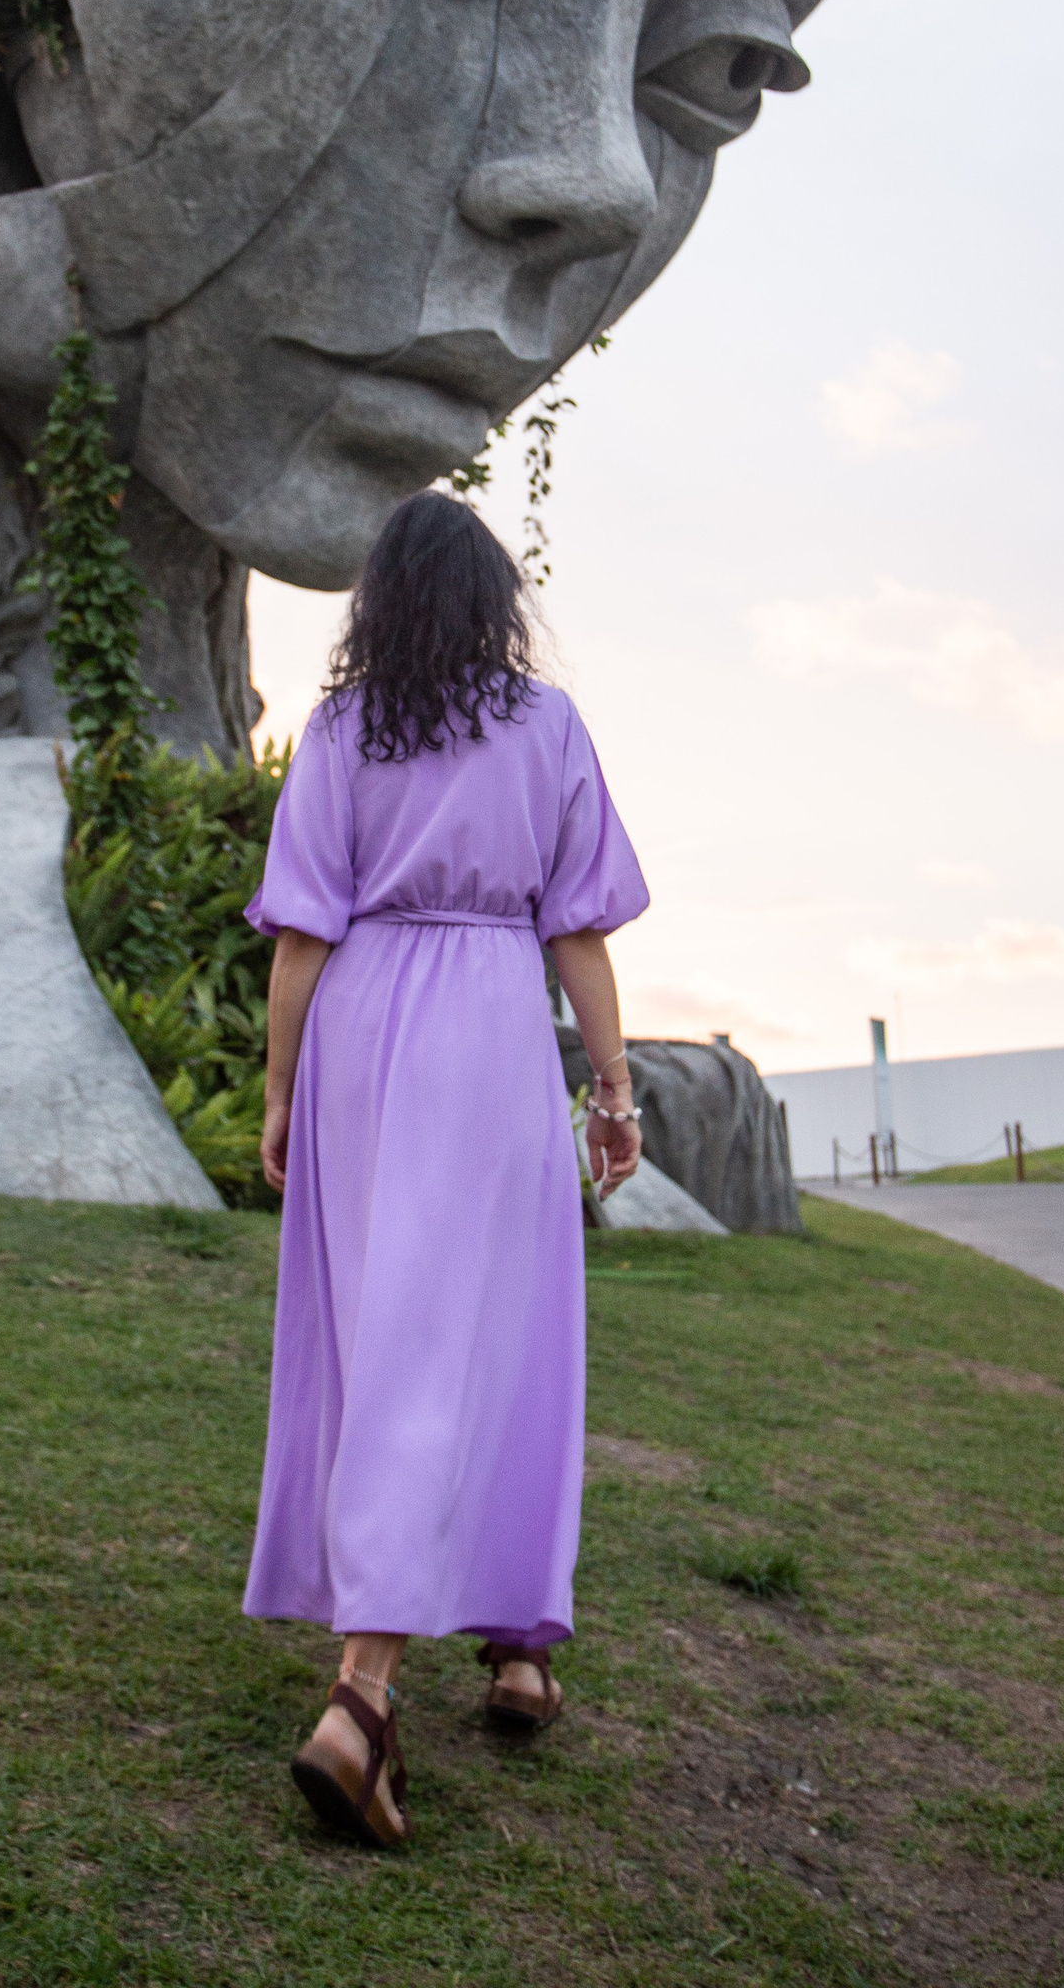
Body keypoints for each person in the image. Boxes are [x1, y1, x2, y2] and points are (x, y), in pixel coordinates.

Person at [241, 492, 648, 1848]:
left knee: (391, 1337)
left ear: (381, 604)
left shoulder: (344, 730)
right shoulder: (548, 727)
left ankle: (516, 1633)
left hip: (363, 1032)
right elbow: (579, 929)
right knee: (501, 1334)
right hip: (488, 1033)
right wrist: (613, 1088)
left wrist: (282, 1090)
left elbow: (302, 934)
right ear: (494, 605)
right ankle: (370, 1694)